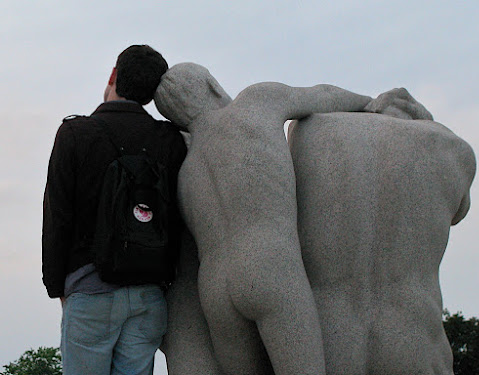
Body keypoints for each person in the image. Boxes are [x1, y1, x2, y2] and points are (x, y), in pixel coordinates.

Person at [154, 63, 422, 375]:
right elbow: (322, 96)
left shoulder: (187, 168)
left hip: (214, 290)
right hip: (269, 265)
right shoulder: (253, 104)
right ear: (213, 86)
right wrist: (371, 103)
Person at [288, 92, 475, 374]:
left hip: (324, 337)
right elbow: (459, 212)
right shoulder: (451, 148)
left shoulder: (310, 131)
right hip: (415, 337)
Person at [42, 45, 187, 375]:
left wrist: (59, 289)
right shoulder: (171, 140)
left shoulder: (74, 134)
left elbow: (57, 219)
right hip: (149, 298)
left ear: (113, 75)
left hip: (89, 292)